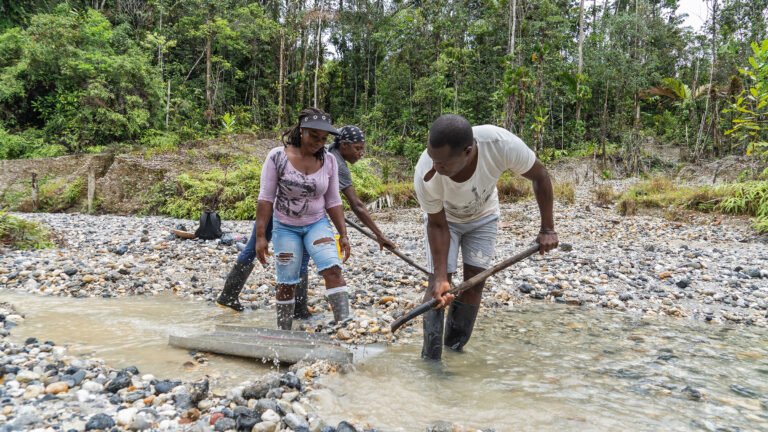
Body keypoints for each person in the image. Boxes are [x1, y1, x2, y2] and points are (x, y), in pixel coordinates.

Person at [413, 114, 559, 360]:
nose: (435, 167)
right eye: (433, 159)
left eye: (443, 164)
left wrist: (547, 229)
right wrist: (440, 277)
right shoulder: (425, 173)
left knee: (475, 282)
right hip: (445, 220)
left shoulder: (500, 144)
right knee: (438, 288)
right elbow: (437, 225)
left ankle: (455, 349)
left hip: (484, 217)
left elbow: (540, 176)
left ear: (468, 151)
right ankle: (432, 361)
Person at [215, 124, 395, 319]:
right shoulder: (333, 160)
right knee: (274, 251)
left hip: (293, 212)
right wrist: (379, 235)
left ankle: (229, 295)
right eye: (358, 148)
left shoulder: (328, 157)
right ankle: (298, 310)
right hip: (282, 213)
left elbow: (333, 200)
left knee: (259, 250)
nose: (361, 153)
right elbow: (356, 205)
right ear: (344, 145)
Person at [216, 107, 350, 330]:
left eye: (323, 139)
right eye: (313, 136)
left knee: (332, 269)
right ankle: (284, 332)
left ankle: (345, 329)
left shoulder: (329, 161)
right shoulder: (278, 157)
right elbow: (266, 198)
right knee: (286, 281)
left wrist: (343, 234)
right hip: (285, 226)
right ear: (301, 131)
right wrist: (260, 237)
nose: (318, 142)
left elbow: (333, 200)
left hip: (316, 223)